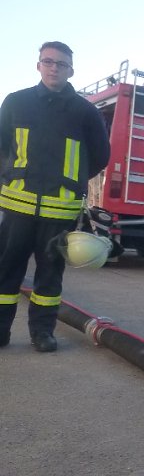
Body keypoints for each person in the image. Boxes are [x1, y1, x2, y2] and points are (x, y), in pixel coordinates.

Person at [0, 41, 110, 352]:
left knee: (50, 276)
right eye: (47, 61)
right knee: (6, 270)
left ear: (70, 70)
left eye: (60, 64)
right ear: (38, 65)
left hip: (59, 210)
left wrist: (69, 183)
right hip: (17, 205)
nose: (53, 68)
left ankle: (42, 334)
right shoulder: (15, 102)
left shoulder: (85, 112)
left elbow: (100, 156)